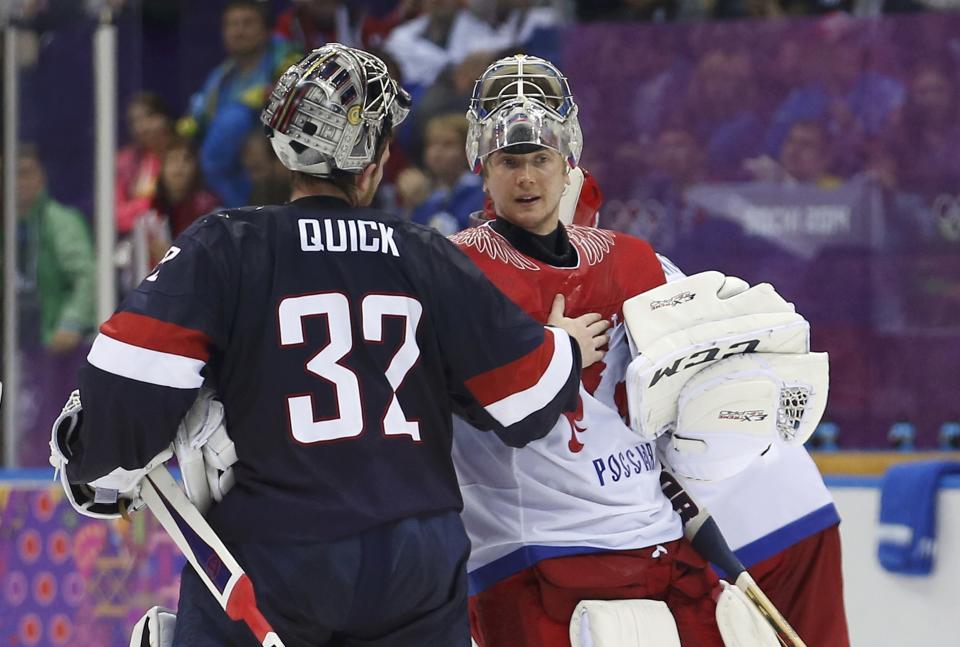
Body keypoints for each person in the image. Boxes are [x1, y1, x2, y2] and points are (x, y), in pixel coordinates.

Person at [54, 44, 609, 647]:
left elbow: (127, 385)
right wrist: (566, 348)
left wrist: (88, 456)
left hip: (277, 558)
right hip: (417, 563)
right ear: (372, 166)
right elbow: (524, 403)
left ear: (284, 147)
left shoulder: (227, 245)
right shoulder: (423, 251)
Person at [449, 54, 725, 647]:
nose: (527, 178)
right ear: (483, 166)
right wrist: (554, 353)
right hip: (532, 559)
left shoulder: (640, 262)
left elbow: (703, 389)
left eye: (541, 159)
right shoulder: (452, 269)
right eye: (509, 161)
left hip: (657, 543)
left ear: (567, 161)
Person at [179, 0, 297, 207]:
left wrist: (263, 141)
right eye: (232, 25)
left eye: (247, 23)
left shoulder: (286, 63)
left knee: (234, 117)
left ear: (266, 30)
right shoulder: (220, 77)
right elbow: (197, 121)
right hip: (225, 182)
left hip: (275, 166)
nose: (239, 31)